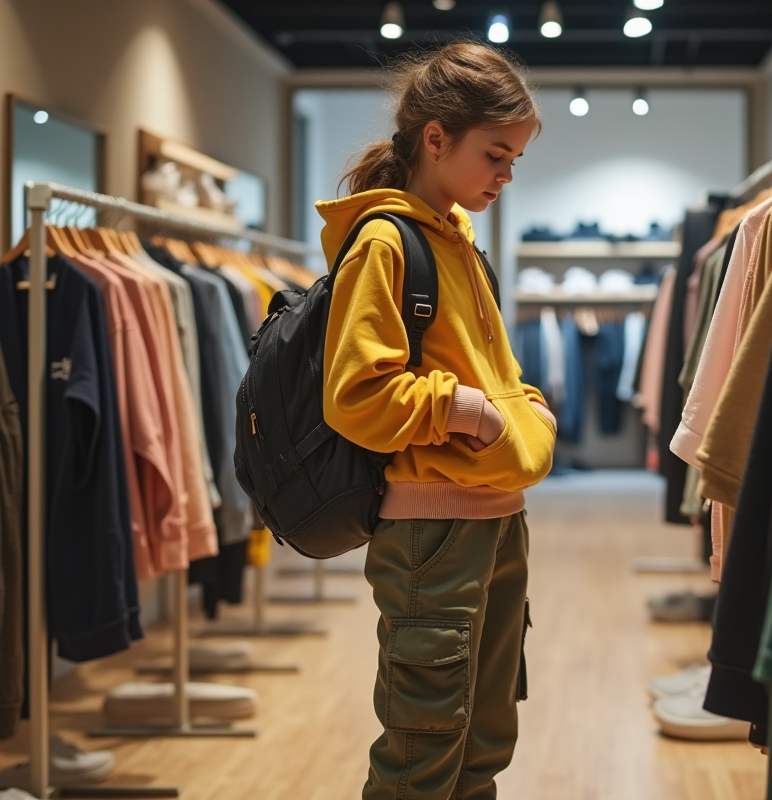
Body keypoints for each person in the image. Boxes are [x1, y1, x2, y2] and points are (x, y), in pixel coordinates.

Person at [318, 41, 557, 800]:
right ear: (435, 137)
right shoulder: (388, 242)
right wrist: (474, 416)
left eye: (514, 159)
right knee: (424, 747)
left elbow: (502, 371)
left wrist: (526, 415)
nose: (506, 176)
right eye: (495, 154)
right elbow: (356, 395)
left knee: (484, 738)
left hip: (496, 518)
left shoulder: (458, 239)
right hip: (433, 529)